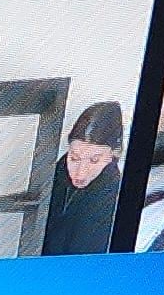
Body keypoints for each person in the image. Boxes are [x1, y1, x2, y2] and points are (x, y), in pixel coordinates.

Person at [41, 100, 125, 255]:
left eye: (94, 160)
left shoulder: (114, 196)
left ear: (114, 154)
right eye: (74, 158)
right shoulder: (54, 175)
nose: (80, 173)